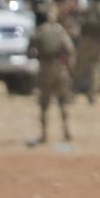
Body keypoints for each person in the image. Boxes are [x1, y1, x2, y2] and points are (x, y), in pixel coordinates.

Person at [27, 9, 74, 147]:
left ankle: (44, 134)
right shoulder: (60, 30)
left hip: (45, 68)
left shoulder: (39, 31)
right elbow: (69, 49)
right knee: (62, 102)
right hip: (60, 68)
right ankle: (66, 132)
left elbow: (30, 50)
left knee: (44, 103)